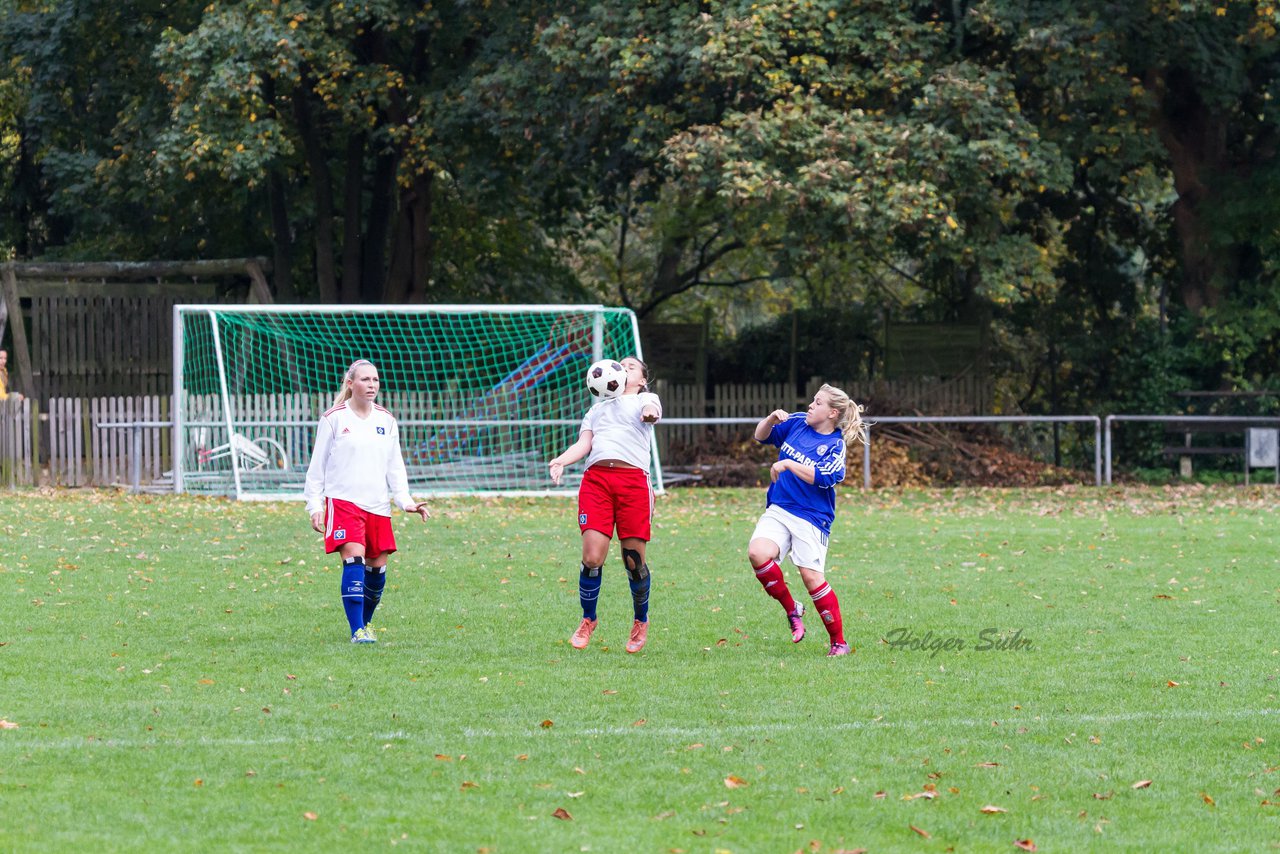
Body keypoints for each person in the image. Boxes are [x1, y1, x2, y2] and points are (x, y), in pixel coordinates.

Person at [304, 359, 429, 644]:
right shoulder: (334, 418)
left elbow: (395, 467)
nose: (371, 385)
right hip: (344, 503)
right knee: (355, 561)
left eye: (375, 380)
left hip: (378, 506)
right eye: (365, 380)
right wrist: (315, 505)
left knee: (377, 571)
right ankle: (356, 630)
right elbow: (316, 468)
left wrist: (405, 501)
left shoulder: (386, 420)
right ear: (350, 384)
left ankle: (366, 623)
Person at [549, 356, 661, 654]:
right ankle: (588, 619)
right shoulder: (595, 411)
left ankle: (640, 620)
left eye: (631, 367)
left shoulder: (646, 399)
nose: (623, 369)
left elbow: (652, 411)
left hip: (633, 483)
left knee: (633, 562)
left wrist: (650, 413)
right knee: (592, 558)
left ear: (641, 380)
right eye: (620, 365)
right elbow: (584, 445)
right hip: (597, 482)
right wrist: (561, 460)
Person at [747, 384, 868, 657]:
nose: (811, 405)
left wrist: (789, 464)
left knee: (811, 578)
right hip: (780, 507)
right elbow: (760, 436)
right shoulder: (799, 422)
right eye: (812, 400)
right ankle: (792, 610)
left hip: (812, 518)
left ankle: (839, 643)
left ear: (832, 413)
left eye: (818, 402)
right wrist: (770, 420)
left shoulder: (835, 445)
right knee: (757, 553)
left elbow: (827, 477)